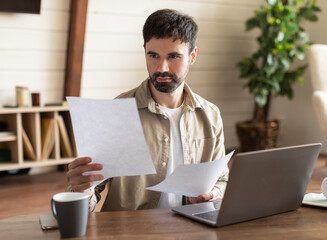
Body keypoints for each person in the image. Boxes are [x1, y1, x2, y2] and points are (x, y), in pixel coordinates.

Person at [66, 9, 229, 212]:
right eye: (153, 55)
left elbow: (221, 180)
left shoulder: (210, 115)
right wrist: (82, 191)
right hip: (131, 232)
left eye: (173, 56)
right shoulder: (118, 111)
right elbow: (89, 195)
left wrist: (214, 193)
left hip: (191, 229)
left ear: (192, 56)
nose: (162, 68)